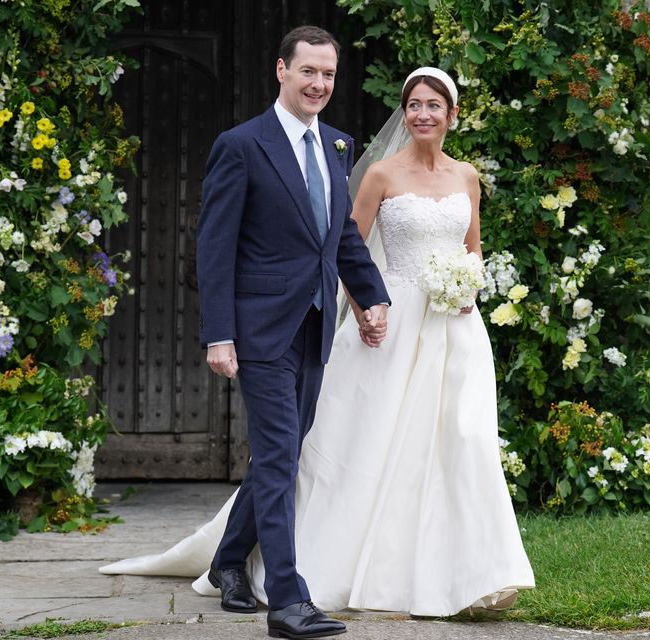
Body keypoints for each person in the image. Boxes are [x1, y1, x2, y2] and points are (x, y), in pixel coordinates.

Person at [101, 65, 534, 621]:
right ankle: (277, 579)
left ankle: (462, 573)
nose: (423, 114)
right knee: (319, 449)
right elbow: (339, 242)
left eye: (434, 105)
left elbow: (458, 247)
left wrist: (467, 285)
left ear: (453, 114)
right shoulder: (366, 169)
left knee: (458, 447)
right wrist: (366, 307)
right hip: (376, 329)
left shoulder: (446, 173)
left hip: (453, 334)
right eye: (414, 104)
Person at [150, 25, 390, 640]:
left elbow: (338, 237)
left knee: (279, 457)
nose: (319, 84)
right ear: (281, 71)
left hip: (314, 328)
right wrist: (218, 333)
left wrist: (372, 297)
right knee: (281, 456)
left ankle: (229, 558)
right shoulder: (242, 145)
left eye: (328, 75)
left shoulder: (337, 145)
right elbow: (215, 247)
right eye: (308, 71)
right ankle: (288, 600)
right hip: (259, 331)